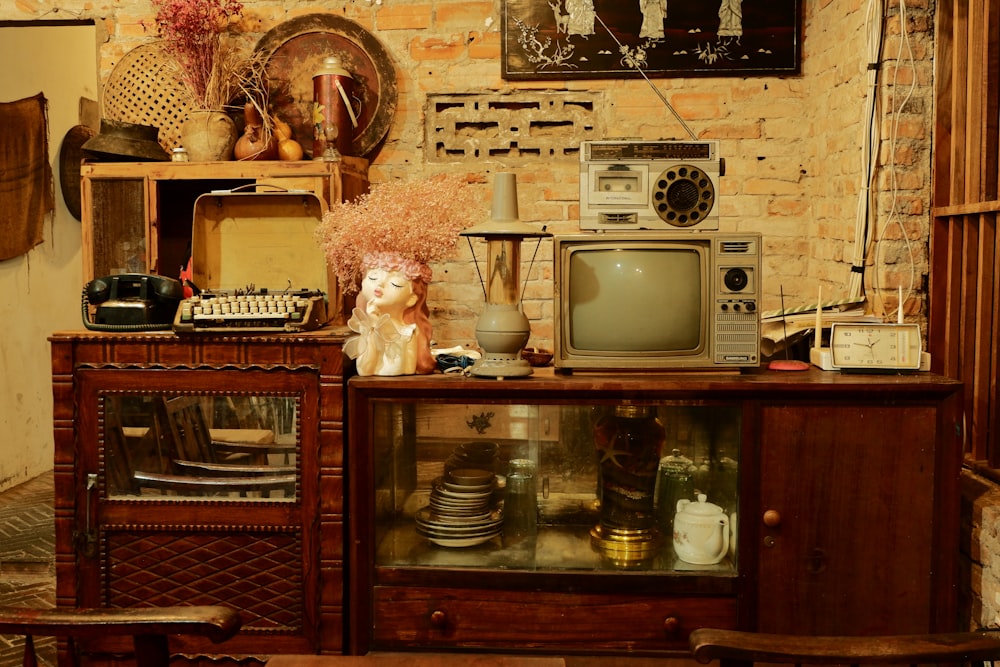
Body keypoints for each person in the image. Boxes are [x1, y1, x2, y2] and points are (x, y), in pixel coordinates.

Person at [345, 252, 435, 376]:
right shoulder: (367, 327)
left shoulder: (408, 331)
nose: (380, 284)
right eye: (372, 278)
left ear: (411, 299)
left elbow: (402, 369)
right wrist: (372, 325)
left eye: (395, 284)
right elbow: (364, 370)